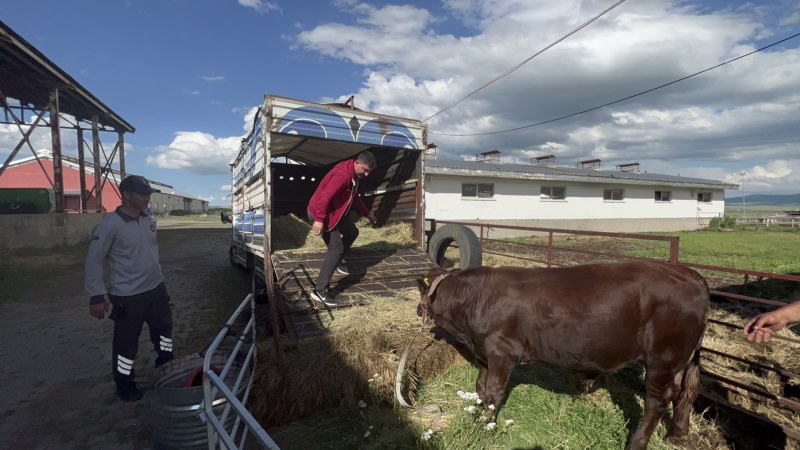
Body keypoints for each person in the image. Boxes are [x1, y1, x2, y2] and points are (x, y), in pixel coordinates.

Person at [85, 175, 174, 402]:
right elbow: (94, 261)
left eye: (148, 193)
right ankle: (124, 383)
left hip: (156, 290)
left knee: (164, 331)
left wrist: (161, 284)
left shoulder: (148, 218)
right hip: (128, 296)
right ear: (126, 195)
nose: (147, 198)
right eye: (142, 194)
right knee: (126, 343)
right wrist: (96, 296)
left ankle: (167, 365)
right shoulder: (109, 224)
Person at [307, 151, 377, 306]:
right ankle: (319, 291)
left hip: (334, 213)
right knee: (336, 248)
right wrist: (319, 219)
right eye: (365, 170)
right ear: (357, 163)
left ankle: (338, 262)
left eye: (369, 172)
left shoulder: (354, 176)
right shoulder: (343, 175)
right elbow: (325, 196)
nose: (366, 174)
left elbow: (355, 197)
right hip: (321, 212)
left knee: (353, 232)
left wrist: (367, 213)